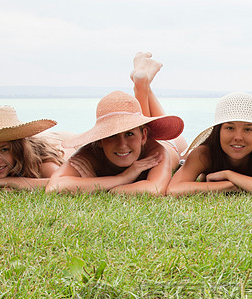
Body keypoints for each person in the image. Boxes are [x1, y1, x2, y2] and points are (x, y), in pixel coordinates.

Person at [47, 52, 185, 195]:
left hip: (171, 144)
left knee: (143, 124)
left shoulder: (156, 153)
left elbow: (153, 189)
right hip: (140, 137)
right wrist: (123, 178)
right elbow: (54, 187)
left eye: (128, 134)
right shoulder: (90, 153)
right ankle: (142, 84)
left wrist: (97, 185)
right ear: (100, 140)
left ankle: (142, 86)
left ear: (144, 137)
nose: (122, 144)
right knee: (137, 123)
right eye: (112, 136)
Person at [167, 91, 252, 196]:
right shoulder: (203, 153)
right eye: (230, 128)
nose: (238, 137)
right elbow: (174, 190)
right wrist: (227, 186)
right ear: (218, 130)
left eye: (247, 129)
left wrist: (229, 175)